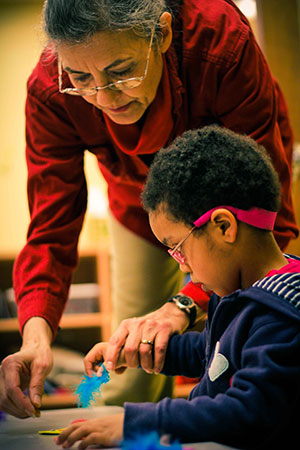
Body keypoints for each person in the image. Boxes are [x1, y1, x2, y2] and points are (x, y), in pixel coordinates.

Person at [0, 0, 298, 418]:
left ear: (163, 33)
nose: (103, 97)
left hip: (237, 208)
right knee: (136, 371)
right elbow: (51, 226)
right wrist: (35, 335)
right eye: (81, 78)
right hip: (140, 211)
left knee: (238, 331)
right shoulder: (51, 86)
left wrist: (186, 304)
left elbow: (262, 207)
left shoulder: (221, 41)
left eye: (121, 70)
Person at [56, 125, 300, 450]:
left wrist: (144, 422)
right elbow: (212, 353)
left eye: (178, 247)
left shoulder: (281, 312)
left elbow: (249, 410)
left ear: (224, 226)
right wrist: (142, 352)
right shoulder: (245, 296)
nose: (181, 265)